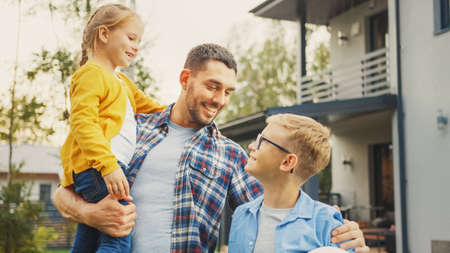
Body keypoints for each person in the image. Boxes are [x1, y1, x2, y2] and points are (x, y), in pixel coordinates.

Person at [53, 43, 369, 252]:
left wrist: (336, 229)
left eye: (228, 91)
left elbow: (279, 208)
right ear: (185, 78)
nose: (220, 100)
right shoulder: (132, 127)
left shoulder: (230, 155)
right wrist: (89, 213)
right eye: (212, 86)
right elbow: (66, 187)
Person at [60, 4, 165, 252]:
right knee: (120, 226)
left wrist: (182, 111)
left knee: (90, 235)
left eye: (138, 40)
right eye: (131, 38)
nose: (136, 46)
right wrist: (108, 166)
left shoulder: (121, 81)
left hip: (103, 168)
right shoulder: (90, 74)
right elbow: (83, 123)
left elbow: (152, 107)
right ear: (104, 34)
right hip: (100, 168)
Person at [228, 114, 357, 252]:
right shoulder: (241, 215)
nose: (252, 146)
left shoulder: (327, 223)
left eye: (263, 141)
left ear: (287, 162)